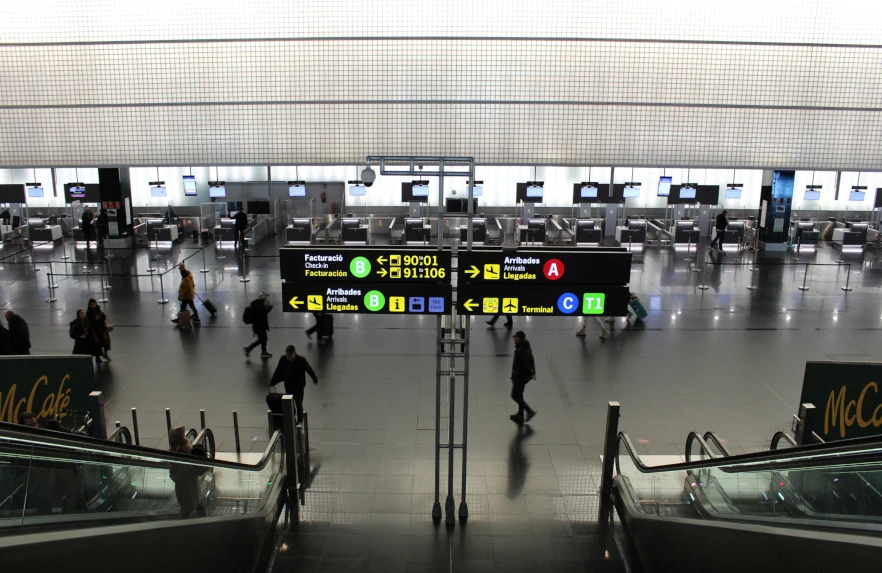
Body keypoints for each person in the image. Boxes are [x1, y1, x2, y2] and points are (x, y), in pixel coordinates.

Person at [269, 345, 318, 421]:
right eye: (287, 353)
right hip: (288, 385)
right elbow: (278, 371)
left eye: (290, 353)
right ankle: (292, 418)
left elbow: (309, 369)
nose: (288, 355)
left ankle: (300, 419)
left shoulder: (301, 360)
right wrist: (272, 382)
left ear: (294, 353)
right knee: (290, 403)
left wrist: (314, 378)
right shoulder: (283, 360)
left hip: (299, 386)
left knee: (298, 403)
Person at [168, 426, 209, 518]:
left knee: (187, 505)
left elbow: (176, 475)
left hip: (184, 486)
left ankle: (189, 523)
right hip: (192, 483)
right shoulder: (187, 449)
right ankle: (201, 518)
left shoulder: (178, 452)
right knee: (194, 501)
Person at [509, 331, 537, 424]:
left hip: (520, 376)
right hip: (523, 376)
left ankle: (529, 411)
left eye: (515, 337)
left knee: (515, 395)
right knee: (519, 394)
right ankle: (520, 415)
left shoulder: (521, 350)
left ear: (520, 338)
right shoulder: (524, 347)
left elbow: (522, 365)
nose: (514, 339)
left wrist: (515, 377)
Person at [244, 292, 273, 359]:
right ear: (263, 298)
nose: (266, 298)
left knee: (263, 339)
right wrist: (269, 307)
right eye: (266, 297)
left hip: (258, 326)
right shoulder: (259, 305)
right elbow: (263, 313)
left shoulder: (258, 304)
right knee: (262, 339)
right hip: (259, 326)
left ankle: (262, 352)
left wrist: (268, 307)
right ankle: (249, 349)